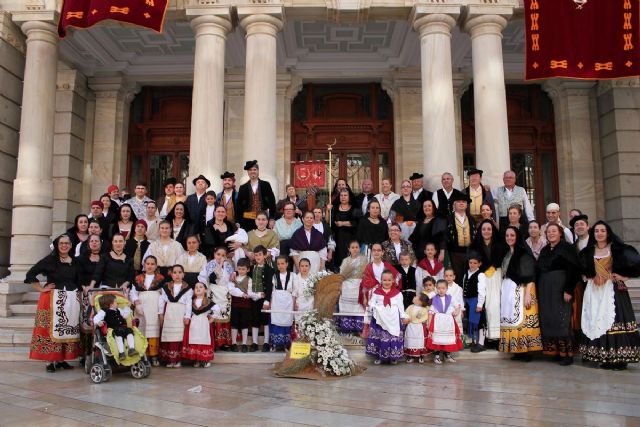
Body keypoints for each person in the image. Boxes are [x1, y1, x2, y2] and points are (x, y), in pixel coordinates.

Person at [579, 220, 640, 370]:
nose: (599, 233)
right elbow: (581, 269)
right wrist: (591, 276)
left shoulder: (617, 249)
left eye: (602, 231)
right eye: (596, 231)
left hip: (612, 290)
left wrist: (625, 276)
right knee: (595, 318)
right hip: (594, 291)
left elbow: (636, 264)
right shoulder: (588, 251)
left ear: (608, 233)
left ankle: (618, 358)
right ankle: (602, 356)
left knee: (613, 319)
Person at [25, 234, 82, 372]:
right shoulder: (50, 260)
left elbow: (78, 280)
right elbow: (30, 274)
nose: (64, 245)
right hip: (52, 298)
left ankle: (61, 359)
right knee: (50, 330)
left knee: (65, 329)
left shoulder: (75, 261)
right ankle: (49, 361)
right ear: (57, 245)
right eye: (61, 243)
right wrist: (41, 288)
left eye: (67, 243)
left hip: (70, 300)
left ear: (70, 245)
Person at [537, 223, 580, 366]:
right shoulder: (544, 250)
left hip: (561, 288)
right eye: (548, 232)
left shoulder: (567, 248)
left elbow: (574, 269)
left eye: (554, 231)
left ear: (560, 233)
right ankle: (554, 352)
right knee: (549, 319)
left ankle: (567, 354)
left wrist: (568, 289)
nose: (551, 234)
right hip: (546, 290)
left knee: (562, 319)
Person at [499, 226, 543, 360]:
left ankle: (526, 351)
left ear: (517, 237)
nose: (509, 238)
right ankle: (517, 350)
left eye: (512, 235)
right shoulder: (508, 253)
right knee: (511, 320)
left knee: (522, 320)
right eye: (507, 235)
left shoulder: (523, 252)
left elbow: (530, 275)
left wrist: (528, 294)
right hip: (509, 290)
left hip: (523, 289)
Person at [469, 219, 507, 345]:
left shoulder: (501, 244)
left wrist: (491, 269)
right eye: (484, 229)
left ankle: (497, 337)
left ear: (493, 231)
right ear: (480, 231)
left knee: (496, 305)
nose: (486, 231)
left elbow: (502, 260)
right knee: (485, 306)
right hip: (482, 277)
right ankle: (485, 338)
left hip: (497, 276)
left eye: (489, 229)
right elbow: (472, 263)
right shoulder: (475, 245)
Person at [365, 269, 408, 365]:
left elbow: (401, 307)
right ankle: (380, 356)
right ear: (381, 280)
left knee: (392, 337)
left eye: (389, 280)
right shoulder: (377, 292)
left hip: (393, 319)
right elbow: (371, 302)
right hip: (380, 318)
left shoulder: (398, 293)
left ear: (393, 281)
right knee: (381, 337)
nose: (387, 282)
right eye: (384, 280)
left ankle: (393, 357)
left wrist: (403, 316)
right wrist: (376, 307)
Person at [130, 256, 164, 366]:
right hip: (141, 307)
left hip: (154, 307)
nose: (149, 266)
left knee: (153, 331)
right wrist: (136, 303)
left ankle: (153, 356)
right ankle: (142, 355)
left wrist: (160, 309)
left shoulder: (161, 278)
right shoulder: (137, 278)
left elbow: (163, 294)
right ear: (144, 265)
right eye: (147, 263)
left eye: (152, 264)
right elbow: (133, 292)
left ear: (156, 266)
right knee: (141, 330)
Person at [159, 264, 193, 367]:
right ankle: (170, 359)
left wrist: (187, 316)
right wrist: (160, 314)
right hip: (169, 312)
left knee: (178, 335)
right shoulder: (166, 287)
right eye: (174, 272)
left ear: (183, 274)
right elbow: (161, 301)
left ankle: (177, 359)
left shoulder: (188, 288)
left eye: (179, 272)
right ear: (171, 274)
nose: (177, 275)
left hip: (180, 313)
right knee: (169, 335)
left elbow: (189, 303)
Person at [77, 234, 102, 363]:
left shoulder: (104, 257)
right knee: (86, 324)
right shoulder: (82, 259)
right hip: (86, 293)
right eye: (91, 241)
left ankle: (98, 352)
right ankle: (85, 354)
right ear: (88, 243)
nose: (94, 243)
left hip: (101, 294)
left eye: (96, 241)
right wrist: (84, 287)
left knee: (99, 323)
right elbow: (78, 275)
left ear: (100, 243)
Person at [427, 279, 463, 364]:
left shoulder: (450, 298)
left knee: (448, 338)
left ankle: (448, 355)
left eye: (443, 288)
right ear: (436, 288)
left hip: (448, 322)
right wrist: (429, 323)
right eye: (439, 288)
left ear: (446, 289)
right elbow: (431, 312)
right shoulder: (434, 299)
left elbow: (458, 306)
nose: (441, 290)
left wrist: (456, 312)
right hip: (437, 322)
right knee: (437, 338)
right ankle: (436, 356)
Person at [336, 240, 368, 335]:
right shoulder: (345, 260)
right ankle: (347, 334)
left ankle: (358, 334)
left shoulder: (364, 259)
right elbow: (341, 276)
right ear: (349, 249)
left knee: (358, 309)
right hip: (346, 288)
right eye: (352, 247)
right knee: (346, 309)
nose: (355, 249)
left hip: (359, 287)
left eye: (357, 247)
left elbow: (366, 275)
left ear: (359, 248)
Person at [93, 294, 138, 361]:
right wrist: (98, 322)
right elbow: (96, 318)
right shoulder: (104, 311)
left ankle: (131, 349)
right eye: (116, 302)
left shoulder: (119, 310)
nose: (117, 303)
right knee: (118, 335)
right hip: (113, 329)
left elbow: (125, 315)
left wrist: (127, 307)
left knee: (129, 331)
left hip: (123, 327)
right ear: (111, 304)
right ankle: (121, 352)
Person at [229, 258, 259, 353]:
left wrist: (257, 295)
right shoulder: (233, 278)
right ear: (237, 268)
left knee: (244, 324)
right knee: (234, 324)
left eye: (243, 269)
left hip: (246, 305)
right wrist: (242, 294)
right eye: (239, 269)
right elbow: (231, 290)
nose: (241, 271)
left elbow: (250, 292)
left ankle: (244, 344)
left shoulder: (249, 280)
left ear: (248, 270)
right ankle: (233, 343)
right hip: (235, 304)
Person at [181, 282, 215, 367]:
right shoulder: (191, 302)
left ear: (205, 290)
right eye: (196, 287)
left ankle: (205, 359)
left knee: (203, 340)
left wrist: (211, 319)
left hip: (203, 323)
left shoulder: (208, 302)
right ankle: (197, 359)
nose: (198, 288)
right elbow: (187, 311)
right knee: (194, 339)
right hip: (194, 323)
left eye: (201, 287)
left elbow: (217, 310)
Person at [236, 160, 276, 231]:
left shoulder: (265, 185)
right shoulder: (243, 187)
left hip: (263, 219)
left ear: (258, 171)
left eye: (254, 169)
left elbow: (272, 203)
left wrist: (272, 218)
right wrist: (239, 221)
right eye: (250, 170)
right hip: (247, 220)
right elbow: (239, 206)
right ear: (248, 172)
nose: (252, 171)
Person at [265, 256, 295, 351]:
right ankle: (276, 343)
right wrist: (269, 302)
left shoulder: (293, 275)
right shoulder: (274, 275)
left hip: (288, 300)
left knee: (287, 320)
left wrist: (294, 303)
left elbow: (295, 290)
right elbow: (272, 290)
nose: (280, 266)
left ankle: (286, 344)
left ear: (287, 264)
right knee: (276, 319)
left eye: (282, 263)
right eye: (278, 264)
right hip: (276, 300)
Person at [249, 246, 275, 352]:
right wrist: (234, 273)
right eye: (256, 255)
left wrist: (267, 300)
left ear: (265, 255)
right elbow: (241, 273)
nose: (258, 257)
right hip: (254, 298)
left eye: (260, 254)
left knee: (265, 320)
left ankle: (265, 343)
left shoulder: (270, 270)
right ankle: (254, 343)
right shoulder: (251, 268)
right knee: (254, 320)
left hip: (264, 299)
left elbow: (269, 286)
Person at [446, 193, 476, 284]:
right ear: (454, 204)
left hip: (468, 252)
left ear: (467, 205)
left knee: (468, 277)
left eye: (464, 201)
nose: (461, 203)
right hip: (455, 253)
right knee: (457, 277)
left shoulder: (471, 219)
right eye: (459, 202)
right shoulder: (449, 218)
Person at [359, 243, 399, 309]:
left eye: (379, 250)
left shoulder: (388, 266)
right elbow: (364, 285)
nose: (376, 252)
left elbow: (397, 278)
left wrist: (387, 285)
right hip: (372, 296)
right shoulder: (368, 267)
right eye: (374, 250)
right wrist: (364, 298)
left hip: (387, 294)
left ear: (382, 252)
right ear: (371, 252)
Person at [462, 252, 487, 353]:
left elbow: (482, 291)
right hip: (468, 302)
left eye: (475, 263)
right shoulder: (466, 274)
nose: (472, 265)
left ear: (479, 264)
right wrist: (464, 303)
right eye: (470, 262)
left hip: (476, 301)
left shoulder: (480, 275)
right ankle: (474, 341)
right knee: (471, 321)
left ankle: (481, 343)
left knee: (480, 322)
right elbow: (464, 288)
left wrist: (480, 305)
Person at [570, 214, 589, 343]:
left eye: (582, 224)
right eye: (577, 225)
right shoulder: (574, 246)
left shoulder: (596, 242)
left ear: (588, 226)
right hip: (581, 284)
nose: (579, 227)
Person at [331, 189, 357, 266]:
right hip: (337, 237)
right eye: (341, 195)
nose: (343, 197)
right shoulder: (335, 208)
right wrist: (327, 210)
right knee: (338, 257)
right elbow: (330, 221)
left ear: (349, 197)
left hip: (350, 237)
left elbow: (356, 223)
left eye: (345, 195)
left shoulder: (354, 208)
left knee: (349, 258)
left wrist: (342, 223)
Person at [404, 293, 431, 363]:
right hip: (410, 326)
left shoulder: (424, 309)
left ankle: (421, 355)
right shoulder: (410, 307)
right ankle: (410, 355)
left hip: (420, 327)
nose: (414, 297)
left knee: (420, 341)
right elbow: (406, 314)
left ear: (420, 301)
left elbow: (425, 318)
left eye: (416, 296)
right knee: (410, 341)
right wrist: (406, 319)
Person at [444, 269, 464, 335]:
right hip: (445, 310)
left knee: (457, 325)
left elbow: (460, 300)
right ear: (444, 277)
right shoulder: (442, 287)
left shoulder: (458, 288)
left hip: (456, 310)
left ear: (454, 277)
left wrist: (462, 311)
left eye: (450, 275)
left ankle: (458, 341)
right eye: (446, 276)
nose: (448, 277)